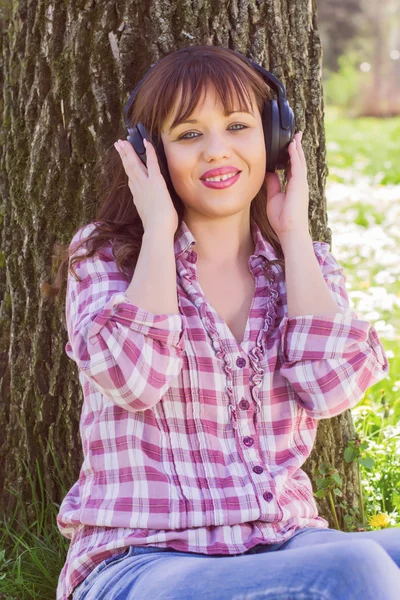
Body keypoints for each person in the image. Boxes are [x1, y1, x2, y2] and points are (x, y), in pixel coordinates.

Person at [54, 45, 397, 600]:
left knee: (374, 561)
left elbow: (330, 389)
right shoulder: (105, 257)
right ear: (153, 154)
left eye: (238, 126)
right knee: (357, 570)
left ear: (274, 137)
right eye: (189, 134)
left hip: (281, 542)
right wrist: (159, 230)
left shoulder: (303, 263)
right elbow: (133, 380)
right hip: (143, 559)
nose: (218, 151)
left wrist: (293, 236)